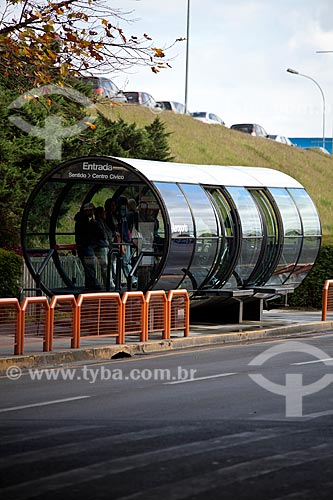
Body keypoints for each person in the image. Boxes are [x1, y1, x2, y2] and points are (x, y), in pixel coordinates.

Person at [74, 202, 100, 290]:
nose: (93, 212)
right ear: (87, 211)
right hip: (86, 246)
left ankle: (89, 284)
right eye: (92, 210)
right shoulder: (84, 221)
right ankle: (93, 283)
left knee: (88, 266)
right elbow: (88, 233)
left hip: (83, 246)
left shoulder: (80, 220)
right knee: (90, 265)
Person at [92, 206, 115, 289]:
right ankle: (108, 283)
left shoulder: (102, 222)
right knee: (105, 266)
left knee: (107, 265)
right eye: (103, 212)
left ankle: (109, 282)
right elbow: (103, 234)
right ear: (100, 214)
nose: (105, 213)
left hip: (105, 245)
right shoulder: (96, 223)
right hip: (101, 245)